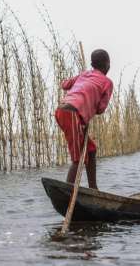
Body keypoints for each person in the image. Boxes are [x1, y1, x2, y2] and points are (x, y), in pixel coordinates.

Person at [55, 49, 113, 190]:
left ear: (92, 64)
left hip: (63, 111)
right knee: (79, 157)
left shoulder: (85, 74)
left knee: (91, 149)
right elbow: (101, 109)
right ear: (107, 65)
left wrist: (82, 78)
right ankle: (68, 193)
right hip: (72, 114)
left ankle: (93, 188)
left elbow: (64, 85)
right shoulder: (107, 82)